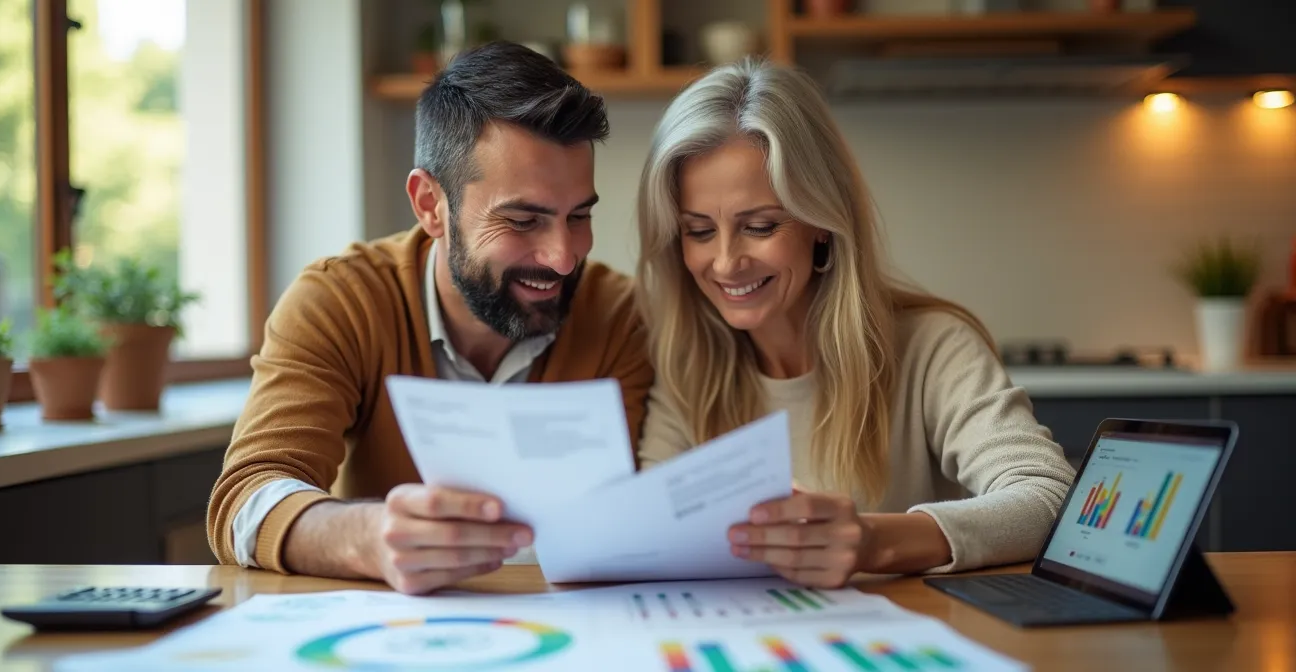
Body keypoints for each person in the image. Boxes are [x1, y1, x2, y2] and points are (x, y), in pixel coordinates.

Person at [207, 42, 652, 595]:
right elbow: (246, 498)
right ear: (429, 205)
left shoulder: (622, 317)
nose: (563, 257)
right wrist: (366, 536)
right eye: (522, 220)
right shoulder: (341, 300)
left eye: (579, 216)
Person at [633, 60, 1076, 589]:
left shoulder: (932, 346)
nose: (726, 263)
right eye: (699, 232)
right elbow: (647, 529)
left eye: (759, 226)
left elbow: (1047, 494)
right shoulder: (686, 360)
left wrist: (872, 541)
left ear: (822, 222)